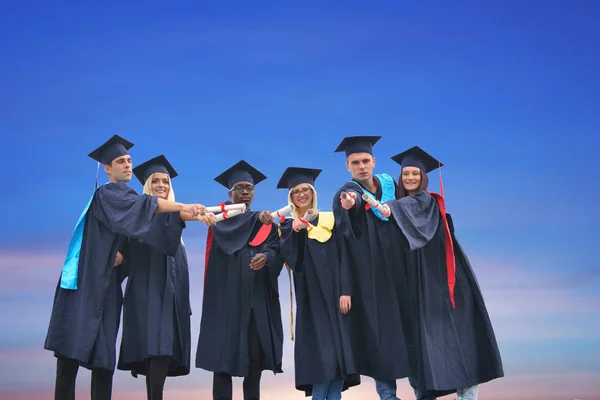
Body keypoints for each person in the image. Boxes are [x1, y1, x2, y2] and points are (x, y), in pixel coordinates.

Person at [44, 135, 206, 400]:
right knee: (69, 356)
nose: (128, 165)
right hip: (85, 284)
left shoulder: (126, 199)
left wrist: (197, 216)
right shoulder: (109, 193)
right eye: (121, 161)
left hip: (107, 287)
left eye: (130, 160)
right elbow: (145, 206)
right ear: (107, 168)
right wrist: (184, 207)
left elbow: (146, 230)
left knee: (103, 359)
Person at [380, 146, 504, 400]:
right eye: (406, 174)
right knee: (422, 345)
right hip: (416, 285)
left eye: (415, 173)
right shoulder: (404, 206)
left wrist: (390, 208)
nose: (410, 178)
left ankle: (467, 395)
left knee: (462, 336)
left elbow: (411, 207)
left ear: (423, 177)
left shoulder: (429, 201)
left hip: (445, 280)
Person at [117, 154, 217, 400]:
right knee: (154, 347)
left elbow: (179, 218)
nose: (161, 185)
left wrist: (199, 214)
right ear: (147, 185)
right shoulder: (137, 214)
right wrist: (190, 211)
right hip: (145, 291)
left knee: (161, 348)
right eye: (155, 181)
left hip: (169, 295)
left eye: (165, 181)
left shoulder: (174, 220)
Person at [260, 167, 360, 400]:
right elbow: (294, 261)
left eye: (306, 189)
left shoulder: (330, 219)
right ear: (291, 198)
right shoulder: (286, 225)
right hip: (311, 298)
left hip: (337, 295)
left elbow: (346, 256)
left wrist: (345, 290)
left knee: (338, 359)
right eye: (297, 192)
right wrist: (295, 232)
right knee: (322, 358)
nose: (302, 194)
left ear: (313, 192)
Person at [196, 160, 284, 400]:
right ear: (230, 193)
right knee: (222, 361)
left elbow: (275, 249)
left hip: (254, 299)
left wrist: (266, 257)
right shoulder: (218, 220)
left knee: (254, 362)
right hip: (226, 302)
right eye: (240, 187)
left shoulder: (263, 222)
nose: (245, 192)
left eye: (250, 188)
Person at [331, 136, 411, 400]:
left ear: (374, 161)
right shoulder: (346, 192)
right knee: (380, 336)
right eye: (355, 162)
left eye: (366, 161)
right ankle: (388, 396)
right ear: (347, 166)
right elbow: (343, 241)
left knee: (411, 331)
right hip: (370, 279)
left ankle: (424, 392)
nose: (362, 166)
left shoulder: (390, 185)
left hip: (400, 272)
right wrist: (351, 205)